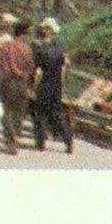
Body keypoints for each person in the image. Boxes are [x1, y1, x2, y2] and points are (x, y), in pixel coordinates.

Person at [30, 17, 73, 153]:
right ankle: (67, 140)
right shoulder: (58, 49)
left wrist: (33, 87)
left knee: (39, 114)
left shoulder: (40, 50)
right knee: (56, 114)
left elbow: (37, 72)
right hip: (56, 86)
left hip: (44, 85)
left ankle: (40, 141)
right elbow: (66, 63)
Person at [0, 19, 36, 154]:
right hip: (22, 83)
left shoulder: (5, 47)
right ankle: (14, 135)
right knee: (19, 112)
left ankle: (10, 139)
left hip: (7, 82)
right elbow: (31, 67)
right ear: (24, 34)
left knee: (6, 111)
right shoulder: (27, 49)